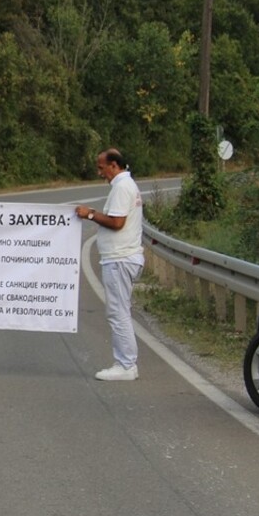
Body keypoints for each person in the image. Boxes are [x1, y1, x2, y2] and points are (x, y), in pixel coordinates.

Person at [75, 148, 144, 381]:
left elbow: (117, 222)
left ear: (114, 165)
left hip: (120, 258)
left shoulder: (122, 187)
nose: (99, 172)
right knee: (119, 310)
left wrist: (90, 214)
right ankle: (127, 363)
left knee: (118, 312)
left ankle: (125, 364)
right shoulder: (125, 186)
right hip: (122, 258)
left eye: (102, 167)